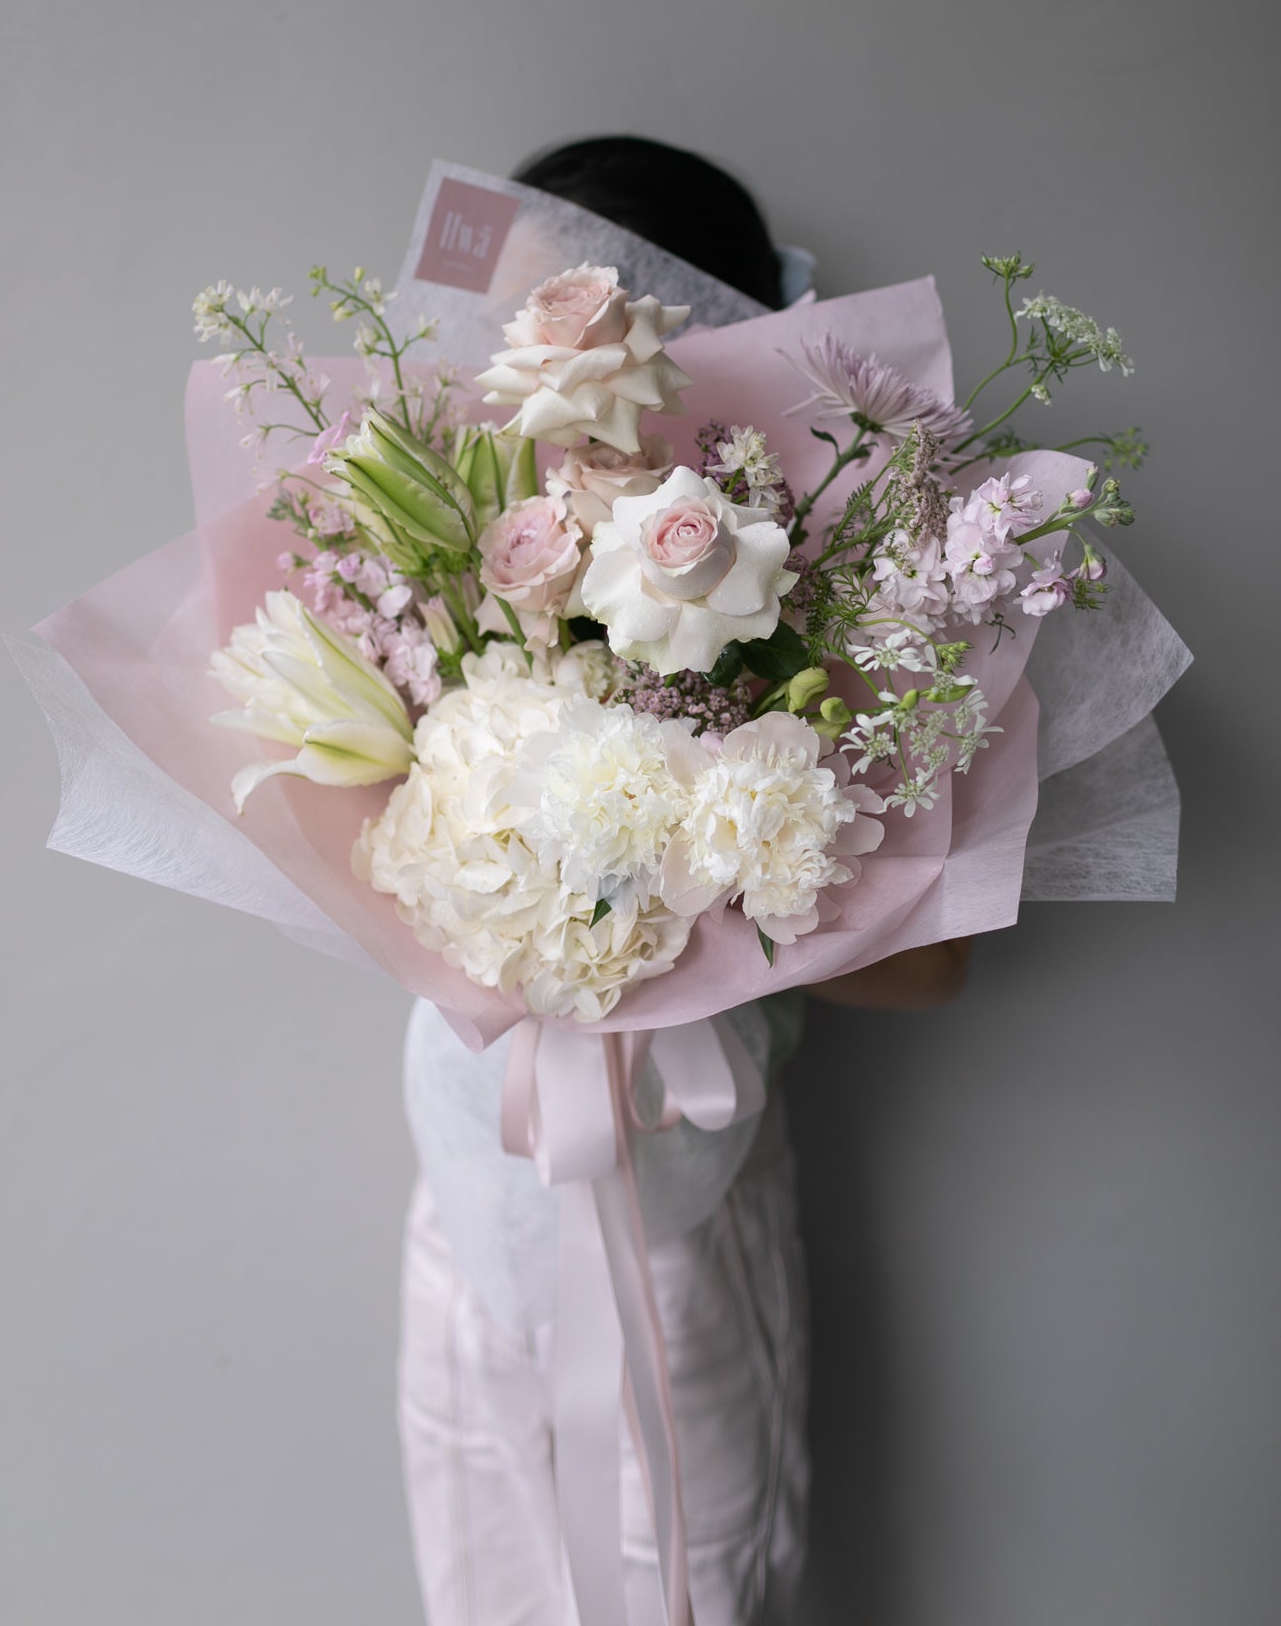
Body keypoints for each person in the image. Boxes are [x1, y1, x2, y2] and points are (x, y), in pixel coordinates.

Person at [396, 135, 971, 1625]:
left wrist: (688, 866)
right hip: (467, 1200)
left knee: (690, 1588)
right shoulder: (436, 548)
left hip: (675, 1221)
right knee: (480, 1574)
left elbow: (931, 965)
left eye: (580, 344)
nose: (533, 386)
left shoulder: (813, 595)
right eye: (512, 339)